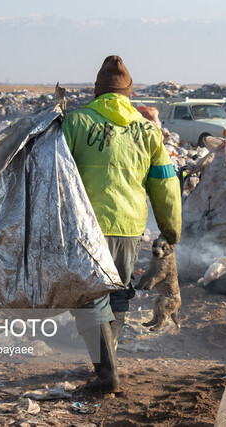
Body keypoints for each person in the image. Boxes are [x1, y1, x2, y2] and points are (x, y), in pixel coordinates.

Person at [62, 55, 182, 392]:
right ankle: (108, 361)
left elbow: (56, 175)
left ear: (97, 91)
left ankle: (106, 373)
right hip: (130, 229)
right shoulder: (147, 130)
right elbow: (165, 183)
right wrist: (170, 231)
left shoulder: (76, 123)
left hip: (88, 228)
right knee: (116, 297)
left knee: (89, 299)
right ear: (129, 94)